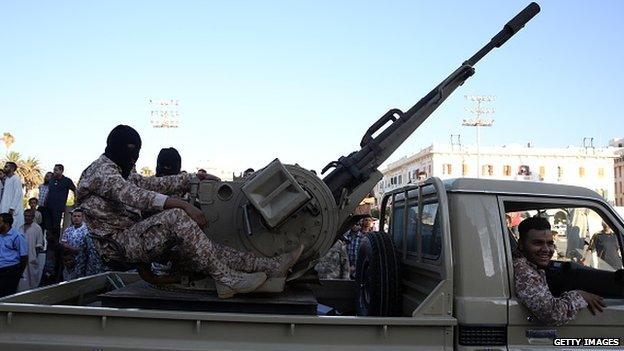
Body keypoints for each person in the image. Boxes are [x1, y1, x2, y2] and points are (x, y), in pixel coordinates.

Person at [76, 125, 303, 298]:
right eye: (131, 151)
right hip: (117, 245)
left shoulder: (119, 170)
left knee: (205, 247)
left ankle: (271, 267)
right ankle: (227, 278)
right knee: (178, 217)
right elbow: (135, 196)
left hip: (132, 238)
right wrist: (183, 205)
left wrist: (193, 179)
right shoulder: (101, 172)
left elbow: (151, 185)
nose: (134, 157)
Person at [513, 216, 605, 326]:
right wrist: (580, 295)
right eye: (538, 243)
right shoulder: (523, 271)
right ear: (521, 244)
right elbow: (554, 314)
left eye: (550, 243)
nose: (546, 249)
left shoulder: (528, 265)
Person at [60, 208, 103, 280]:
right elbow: (63, 243)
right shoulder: (68, 230)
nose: (76, 218)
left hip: (81, 263)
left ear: (82, 217)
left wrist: (70, 247)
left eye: (78, 216)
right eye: (74, 216)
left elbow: (84, 249)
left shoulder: (87, 231)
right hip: (68, 263)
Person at [0, 213, 28, 297]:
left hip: (10, 271)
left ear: (6, 224)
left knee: (6, 296)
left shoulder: (17, 236)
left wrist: (18, 273)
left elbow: (24, 257)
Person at [17, 209, 45, 291]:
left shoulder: (37, 228)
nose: (27, 217)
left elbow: (39, 244)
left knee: (32, 277)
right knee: (23, 277)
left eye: (29, 216)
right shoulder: (21, 228)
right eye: (25, 216)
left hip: (32, 257)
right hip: (22, 257)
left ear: (33, 217)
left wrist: (34, 256)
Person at [0, 162, 25, 230]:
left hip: (12, 210)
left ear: (12, 168)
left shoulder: (16, 179)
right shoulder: (7, 179)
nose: (4, 168)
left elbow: (18, 194)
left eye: (6, 167)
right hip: (5, 208)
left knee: (13, 229)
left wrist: (12, 208)